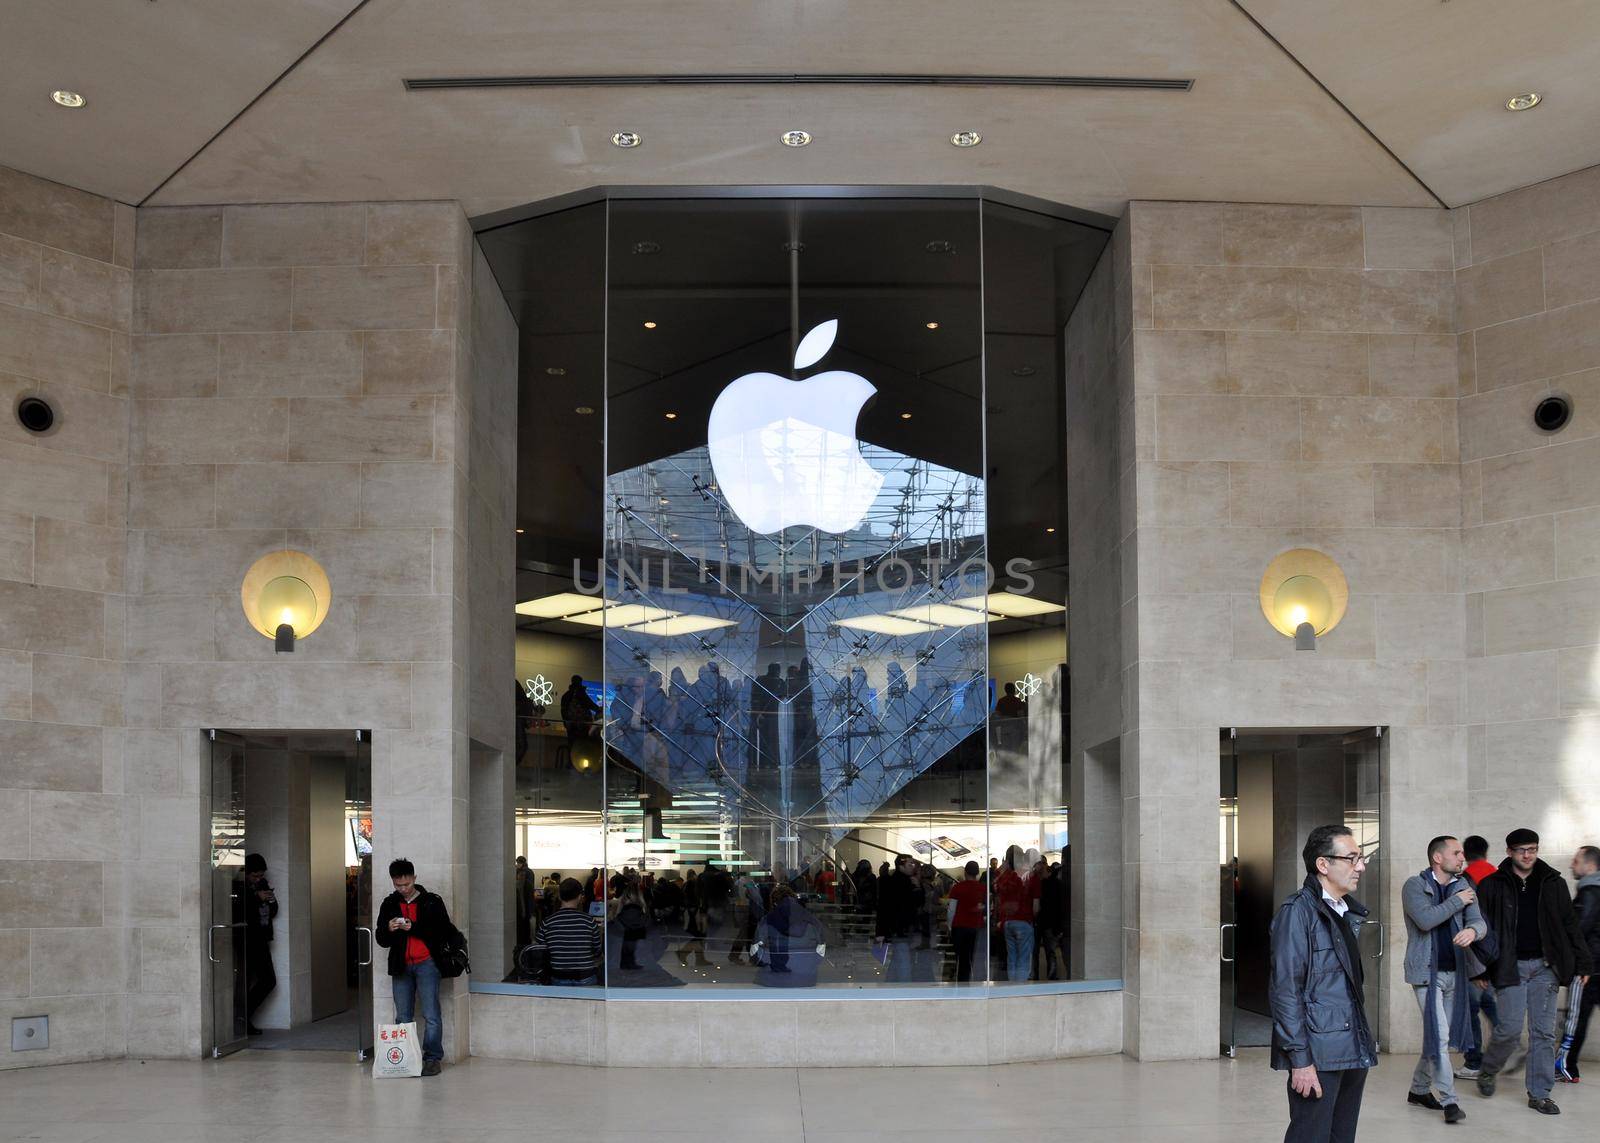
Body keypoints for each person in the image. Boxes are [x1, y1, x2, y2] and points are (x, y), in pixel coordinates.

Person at [1472, 828, 1594, 1115]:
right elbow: (1480, 928)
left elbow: (1570, 925)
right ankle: (1488, 1069)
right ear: (1510, 852)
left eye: (1533, 849)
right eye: (1521, 850)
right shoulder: (1492, 885)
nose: (1528, 855)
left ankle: (1540, 1094)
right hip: (1509, 966)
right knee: (1510, 1030)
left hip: (1545, 967)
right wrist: (1479, 969)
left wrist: (1583, 962)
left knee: (1543, 1032)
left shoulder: (1553, 883)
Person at [1269, 824, 1377, 1143]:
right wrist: (1300, 1060)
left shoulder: (1344, 912)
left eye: (1360, 857)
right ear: (1323, 864)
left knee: (1341, 1137)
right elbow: (1286, 991)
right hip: (1319, 1052)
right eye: (1352, 858)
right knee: (1310, 1136)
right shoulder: (1297, 913)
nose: (1361, 865)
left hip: (1351, 1044)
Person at [1401, 836, 1487, 1123]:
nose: (1462, 857)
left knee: (1439, 1039)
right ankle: (1450, 1102)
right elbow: (1425, 920)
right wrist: (1456, 902)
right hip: (1427, 973)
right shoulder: (1415, 886)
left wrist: (1473, 931)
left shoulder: (1464, 886)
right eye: (1456, 852)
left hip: (1456, 974)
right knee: (1439, 1038)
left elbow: (1479, 921)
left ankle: (1418, 1090)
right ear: (1438, 858)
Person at [374, 858, 456, 1076]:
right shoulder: (389, 903)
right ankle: (405, 1058)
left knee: (431, 1014)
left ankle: (432, 1058)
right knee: (403, 1016)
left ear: (414, 879)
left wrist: (414, 928)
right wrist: (389, 929)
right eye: (398, 885)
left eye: (407, 884)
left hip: (427, 963)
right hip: (401, 966)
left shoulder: (431, 901)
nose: (403, 889)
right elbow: (380, 938)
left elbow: (443, 932)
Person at [1456, 835, 1501, 1080]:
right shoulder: (1498, 875)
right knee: (1487, 1002)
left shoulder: (1467, 880)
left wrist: (1479, 968)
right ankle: (1507, 1043)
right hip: (1497, 953)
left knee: (1471, 1007)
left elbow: (1472, 921)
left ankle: (1474, 1061)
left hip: (1476, 955)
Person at [1561, 845, 1600, 1080]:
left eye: (1576, 861)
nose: (1572, 865)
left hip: (1589, 969)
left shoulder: (1589, 893)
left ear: (1590, 865)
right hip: (1595, 966)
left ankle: (1566, 1067)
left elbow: (1577, 931)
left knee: (1576, 1018)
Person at [534, 876, 603, 985]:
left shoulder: (547, 922)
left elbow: (539, 952)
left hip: (558, 977)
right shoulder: (589, 921)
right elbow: (597, 951)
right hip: (586, 976)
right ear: (580, 897)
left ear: (559, 896)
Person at [239, 853, 278, 1035]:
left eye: (261, 875)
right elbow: (238, 910)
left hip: (262, 938)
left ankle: (243, 1015)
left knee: (268, 980)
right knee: (247, 981)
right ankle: (242, 1017)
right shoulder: (240, 887)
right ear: (246, 873)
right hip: (247, 939)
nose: (259, 879)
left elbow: (274, 909)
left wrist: (270, 899)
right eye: (255, 876)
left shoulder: (262, 885)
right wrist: (257, 898)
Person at [874, 853, 919, 981]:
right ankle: (904, 990)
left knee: (898, 959)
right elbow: (885, 908)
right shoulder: (902, 883)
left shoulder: (894, 881)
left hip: (897, 929)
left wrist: (881, 931)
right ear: (901, 866)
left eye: (913, 864)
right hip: (901, 929)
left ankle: (891, 984)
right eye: (910, 864)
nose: (912, 866)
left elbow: (883, 908)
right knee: (903, 961)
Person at [994, 845, 1035, 982]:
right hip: (1024, 920)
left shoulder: (1003, 876)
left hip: (1007, 922)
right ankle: (1020, 988)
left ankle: (1012, 985)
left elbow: (998, 897)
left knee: (1011, 956)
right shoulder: (1026, 874)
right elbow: (1034, 903)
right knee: (1023, 957)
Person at [947, 860, 988, 983]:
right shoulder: (983, 888)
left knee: (961, 957)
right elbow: (986, 907)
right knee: (973, 957)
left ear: (965, 872)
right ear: (977, 873)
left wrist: (949, 925)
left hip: (959, 926)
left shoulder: (957, 888)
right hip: (976, 927)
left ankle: (961, 982)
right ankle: (971, 981)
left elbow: (951, 909)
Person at [514, 856, 536, 947]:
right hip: (527, 903)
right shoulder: (529, 872)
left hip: (524, 904)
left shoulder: (524, 872)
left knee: (524, 925)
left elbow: (524, 891)